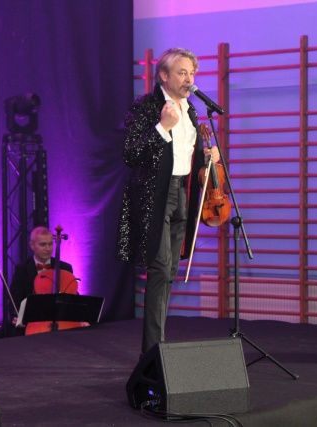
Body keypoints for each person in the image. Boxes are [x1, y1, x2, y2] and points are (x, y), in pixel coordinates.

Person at [116, 47, 220, 356]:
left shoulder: (191, 110)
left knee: (171, 270)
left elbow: (184, 156)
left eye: (192, 73)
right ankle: (152, 351)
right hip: (154, 196)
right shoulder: (146, 106)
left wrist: (207, 156)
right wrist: (162, 127)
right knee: (160, 269)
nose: (189, 79)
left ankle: (158, 345)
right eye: (182, 72)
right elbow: (130, 153)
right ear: (163, 75)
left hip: (183, 192)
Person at [9, 226, 73, 333]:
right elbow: (14, 298)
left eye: (50, 244)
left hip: (62, 324)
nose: (48, 249)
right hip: (32, 324)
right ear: (32, 245)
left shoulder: (65, 268)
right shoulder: (22, 268)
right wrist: (16, 317)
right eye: (43, 244)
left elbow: (73, 296)